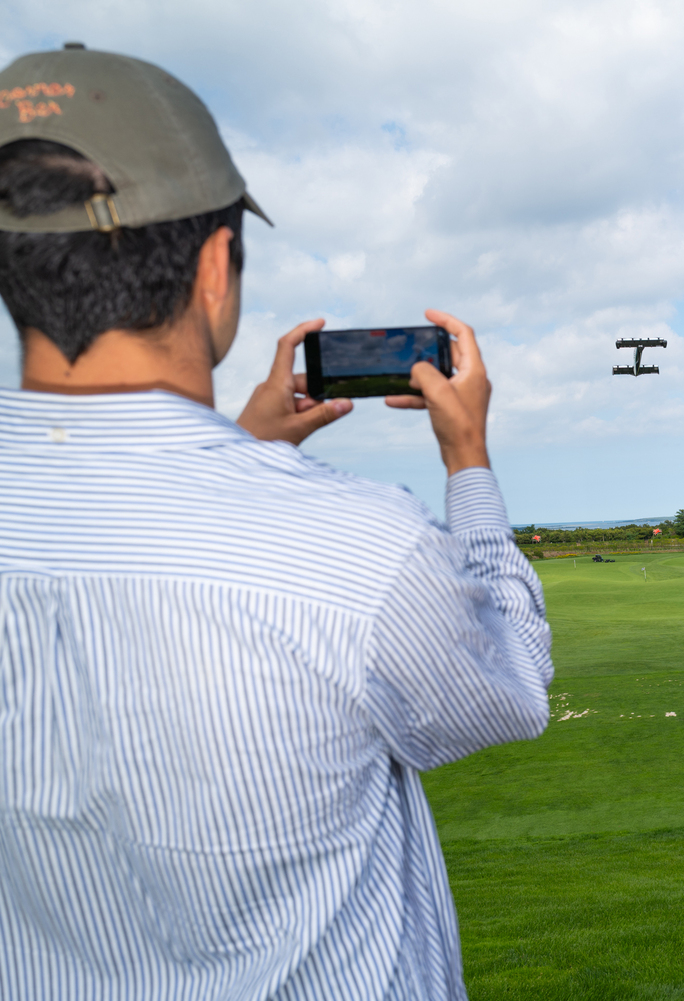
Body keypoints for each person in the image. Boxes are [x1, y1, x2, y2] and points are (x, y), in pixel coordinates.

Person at [0, 46, 553, 999]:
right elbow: (513, 690)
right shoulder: (365, 543)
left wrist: (242, 446)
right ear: (215, 266)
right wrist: (469, 461)